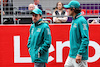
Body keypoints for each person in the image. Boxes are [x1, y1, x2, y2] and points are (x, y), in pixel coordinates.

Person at [64, 0, 89, 67]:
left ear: (73, 9)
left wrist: (80, 54)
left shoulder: (81, 20)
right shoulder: (74, 20)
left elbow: (85, 39)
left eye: (68, 9)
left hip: (79, 56)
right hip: (72, 55)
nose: (67, 10)